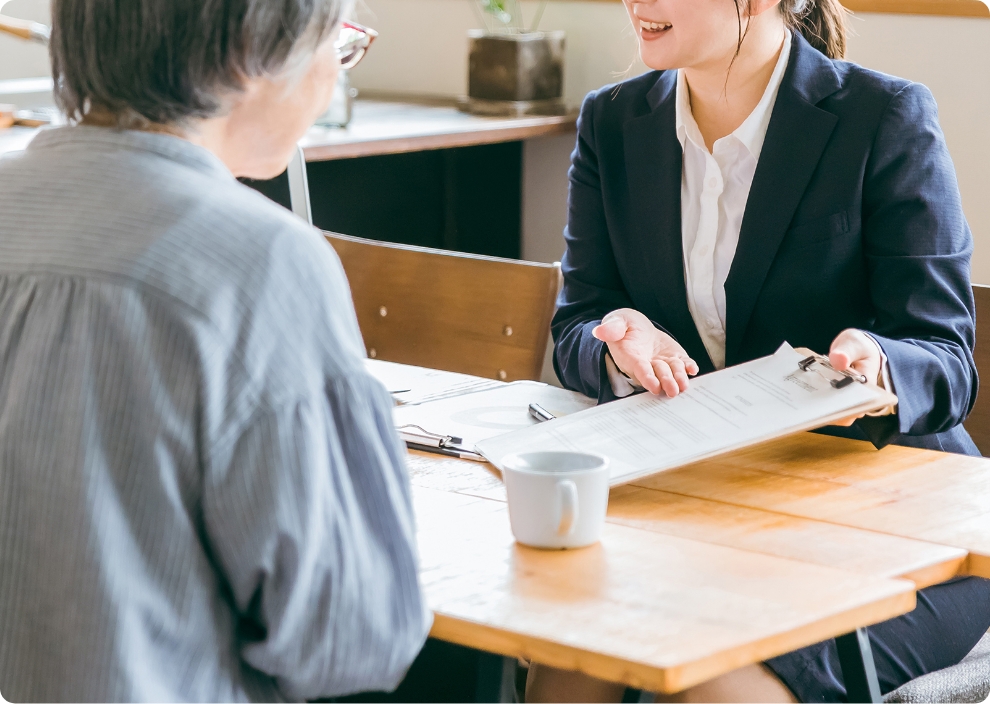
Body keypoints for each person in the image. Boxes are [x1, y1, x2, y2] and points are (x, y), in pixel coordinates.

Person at [532, 0, 990, 701]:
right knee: (572, 656)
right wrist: (619, 339)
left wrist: (876, 359)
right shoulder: (612, 122)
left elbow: (946, 356)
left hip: (894, 524)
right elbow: (578, 324)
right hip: (706, 512)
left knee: (708, 685)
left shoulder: (883, 115)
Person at [0, 0, 430, 701]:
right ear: (256, 47)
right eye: (338, 45)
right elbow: (352, 639)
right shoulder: (262, 262)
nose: (332, 77)